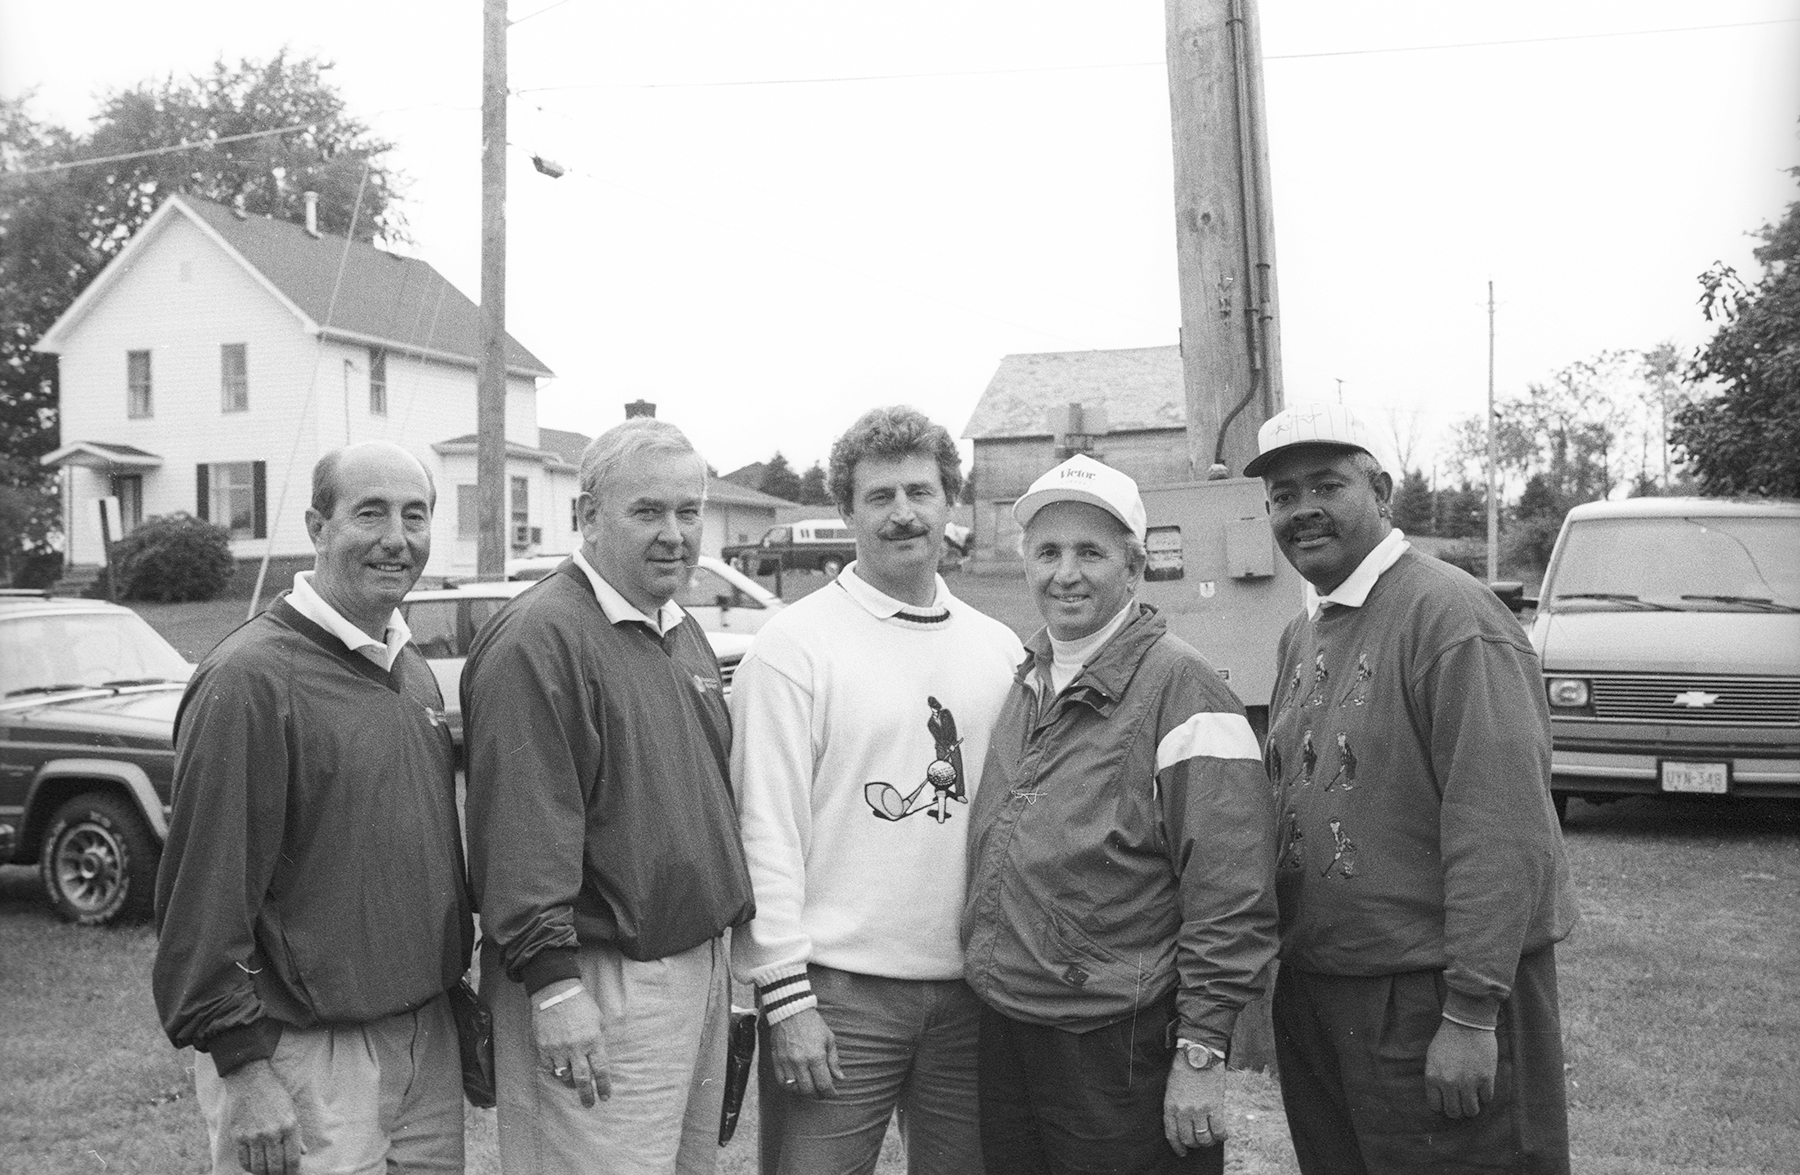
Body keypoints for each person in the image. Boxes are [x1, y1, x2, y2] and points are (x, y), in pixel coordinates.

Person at [1248, 402, 1577, 1174]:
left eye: (1327, 485)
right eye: (1284, 495)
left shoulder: (1451, 617)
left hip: (1428, 996)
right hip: (1323, 990)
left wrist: (1471, 1011)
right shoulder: (1304, 632)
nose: (1303, 509)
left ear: (1382, 491)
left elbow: (1502, 826)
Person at [153, 441, 472, 1175]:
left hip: (423, 1039)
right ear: (317, 527)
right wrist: (243, 1066)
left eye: (415, 516)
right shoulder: (247, 679)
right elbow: (202, 896)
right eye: (370, 513)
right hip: (303, 1055)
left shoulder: (410, 668)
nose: (397, 538)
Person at [962, 454, 1279, 1175]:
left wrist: (1201, 1051)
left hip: (1117, 1043)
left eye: (1090, 553)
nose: (1065, 573)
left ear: (1134, 569)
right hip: (1012, 1027)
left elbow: (1232, 892)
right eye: (1048, 552)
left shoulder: (1185, 689)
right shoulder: (1030, 677)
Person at [730, 406, 1023, 1175]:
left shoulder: (998, 650)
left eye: (920, 492)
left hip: (971, 996)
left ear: (951, 502)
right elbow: (765, 828)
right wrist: (786, 996)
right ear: (847, 510)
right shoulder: (793, 648)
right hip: (836, 995)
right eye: (880, 496)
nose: (903, 514)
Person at [461, 417, 755, 1175]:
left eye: (688, 511)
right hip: (598, 978)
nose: (674, 534)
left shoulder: (677, 629)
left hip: (693, 969)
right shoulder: (540, 638)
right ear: (588, 516)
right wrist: (555, 989)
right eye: (647, 511)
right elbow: (521, 832)